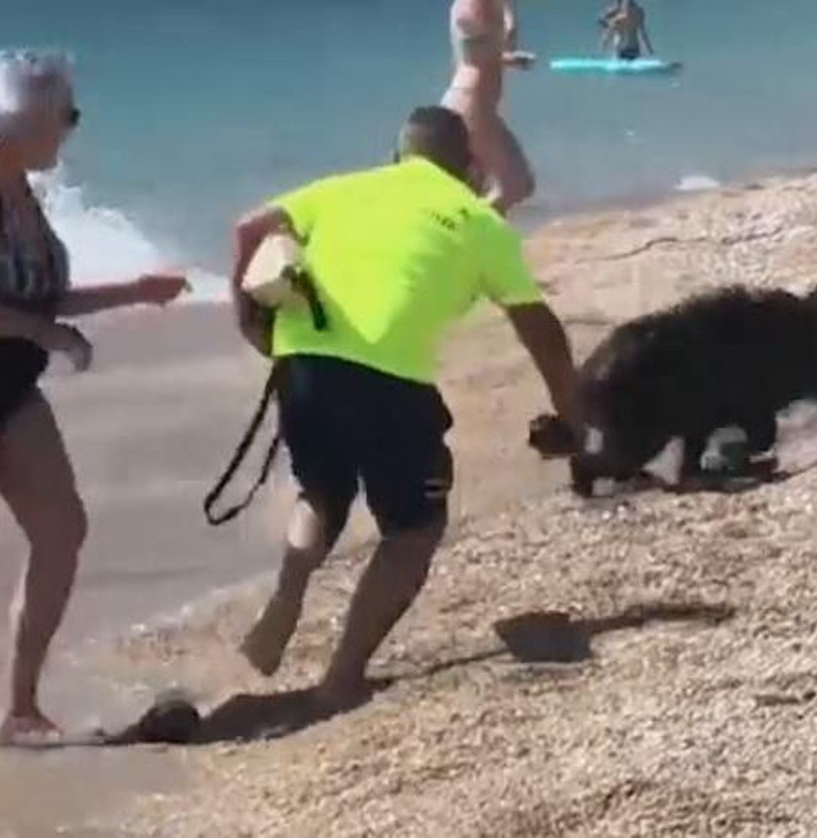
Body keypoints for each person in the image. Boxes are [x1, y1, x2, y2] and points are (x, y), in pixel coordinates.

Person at [228, 106, 584, 706]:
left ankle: (287, 596)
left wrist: (250, 328)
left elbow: (246, 230)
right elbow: (540, 330)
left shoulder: (339, 189)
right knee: (414, 529)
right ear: (469, 169)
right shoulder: (477, 219)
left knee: (322, 493)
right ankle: (340, 680)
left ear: (398, 157)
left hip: (303, 363)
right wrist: (571, 417)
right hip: (389, 383)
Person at [0, 50, 189, 747]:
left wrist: (134, 292)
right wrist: (47, 334)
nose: (72, 129)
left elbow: (32, 292)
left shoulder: (19, 182)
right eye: (69, 116)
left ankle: (18, 707)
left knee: (62, 530)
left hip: (9, 381)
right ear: (29, 121)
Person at [444, 0, 536, 215]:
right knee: (516, 184)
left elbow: (475, 54)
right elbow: (502, 41)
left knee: (482, 189)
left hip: (470, 102)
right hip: (472, 104)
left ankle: (474, 239)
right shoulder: (477, 4)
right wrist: (509, 13)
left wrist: (509, 61)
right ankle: (468, 228)